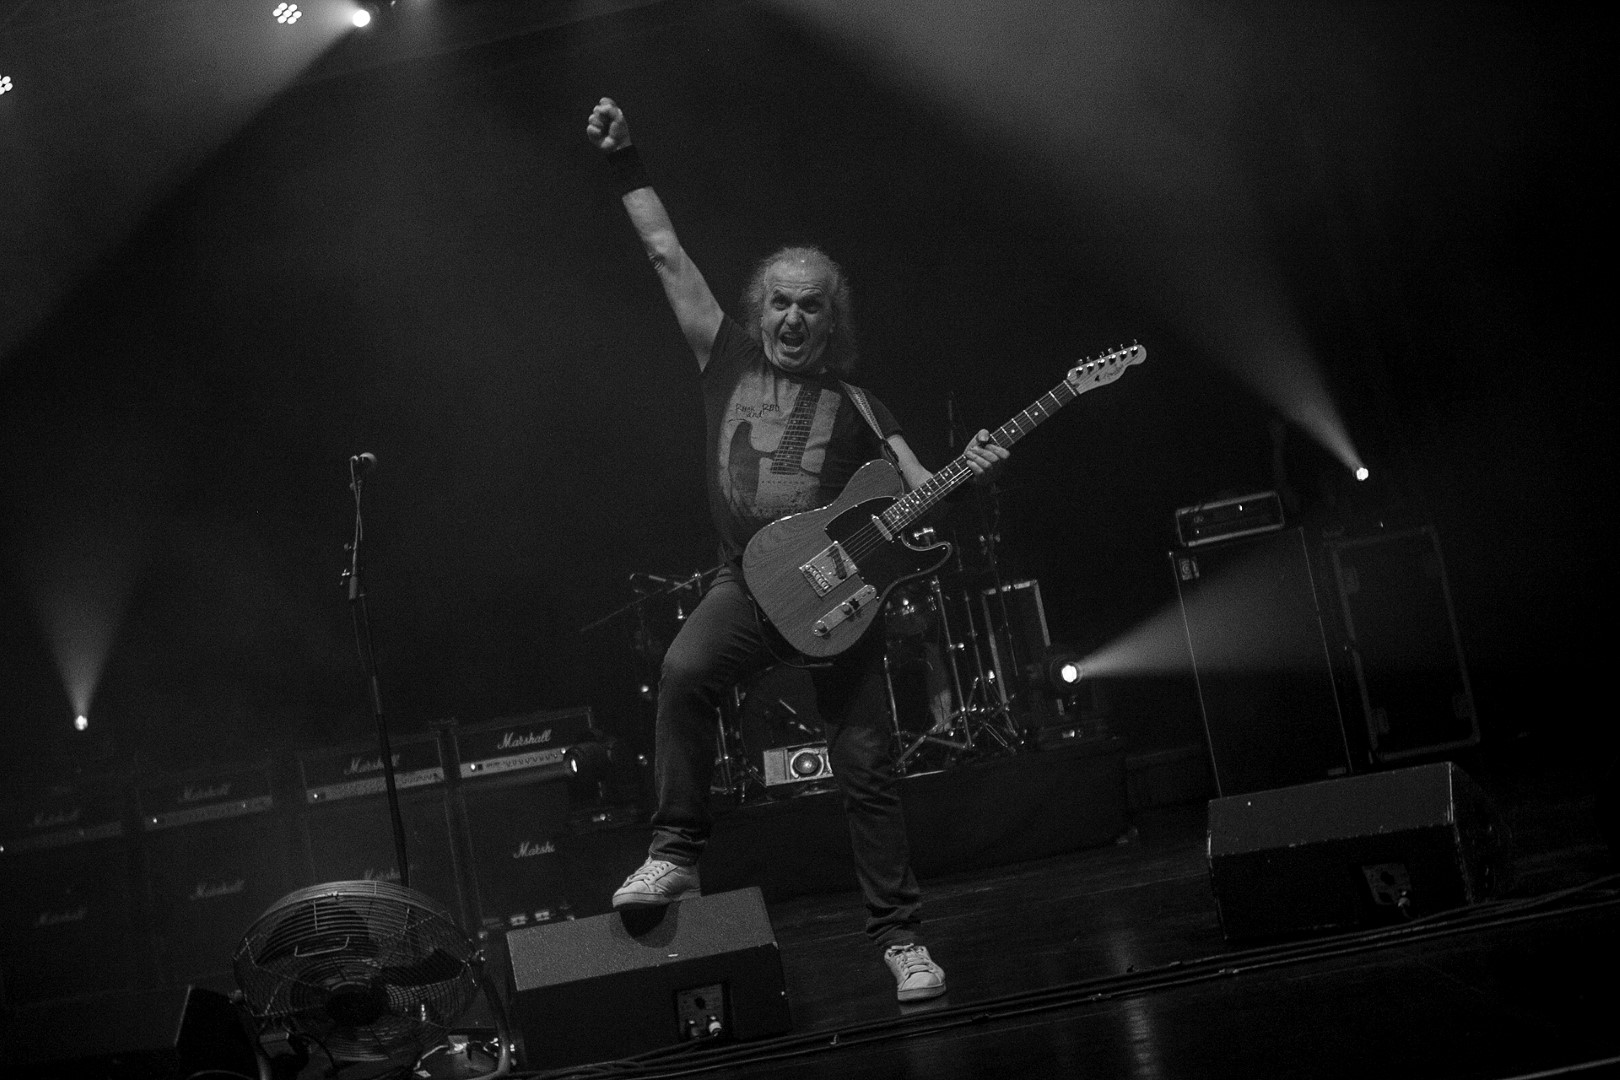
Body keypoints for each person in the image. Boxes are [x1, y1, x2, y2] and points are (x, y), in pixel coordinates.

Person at [586, 97, 1008, 1003]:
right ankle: (674, 855)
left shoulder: (859, 405)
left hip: (841, 599)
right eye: (779, 302)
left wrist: (967, 473)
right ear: (759, 307)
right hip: (747, 584)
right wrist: (626, 162)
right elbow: (666, 254)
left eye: (809, 307)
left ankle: (902, 943)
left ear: (829, 321)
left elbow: (922, 486)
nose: (791, 318)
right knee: (684, 672)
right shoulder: (725, 357)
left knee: (868, 768)